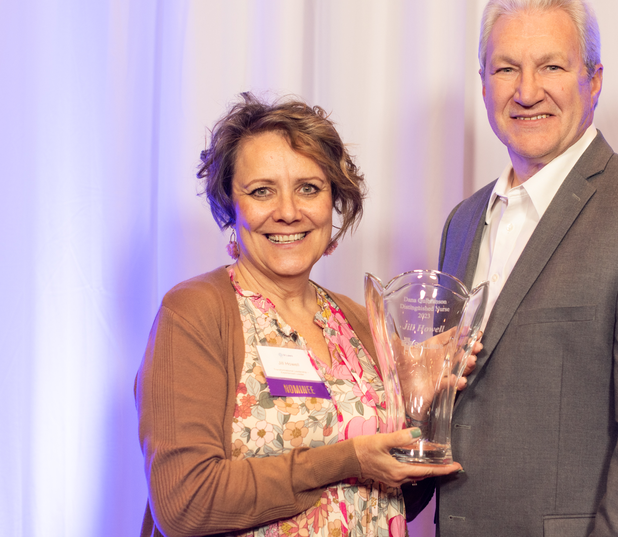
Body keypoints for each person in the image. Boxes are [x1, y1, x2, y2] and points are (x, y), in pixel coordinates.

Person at [423, 0, 618, 536]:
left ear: (594, 80)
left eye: (553, 68)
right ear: (484, 83)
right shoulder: (463, 221)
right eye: (506, 69)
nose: (527, 91)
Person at [135, 93, 463, 537]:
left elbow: (391, 500)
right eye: (261, 191)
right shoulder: (196, 312)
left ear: (333, 202)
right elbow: (184, 503)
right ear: (230, 207)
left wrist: (417, 412)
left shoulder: (358, 320)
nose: (288, 212)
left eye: (309, 188)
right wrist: (347, 459)